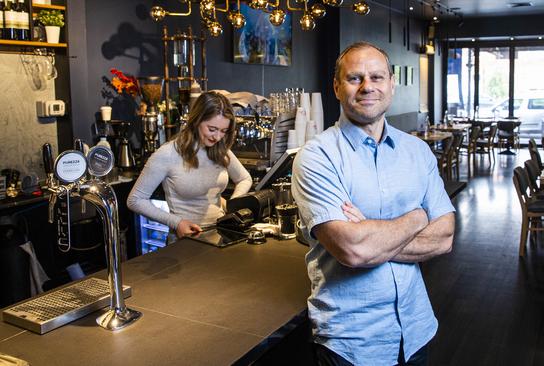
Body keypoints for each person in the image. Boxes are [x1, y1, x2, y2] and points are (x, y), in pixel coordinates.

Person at [291, 42, 456, 365]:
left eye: (377, 77)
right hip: (351, 342)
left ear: (391, 85)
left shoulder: (417, 152)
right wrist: (417, 217)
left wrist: (371, 234)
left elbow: (446, 237)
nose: (368, 86)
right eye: (355, 78)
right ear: (337, 87)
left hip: (416, 329)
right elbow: (353, 250)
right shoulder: (316, 157)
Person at [127, 91, 252, 242]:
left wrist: (233, 205)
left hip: (220, 236)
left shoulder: (220, 150)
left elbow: (244, 178)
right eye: (212, 129)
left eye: (224, 131)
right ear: (196, 121)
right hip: (185, 242)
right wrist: (177, 222)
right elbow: (135, 200)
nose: (218, 137)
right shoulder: (168, 154)